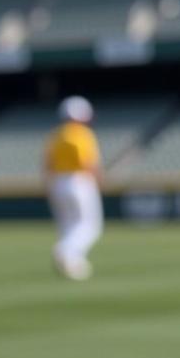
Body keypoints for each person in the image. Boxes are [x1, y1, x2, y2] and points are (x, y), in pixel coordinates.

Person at [44, 96, 103, 280]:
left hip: (58, 182)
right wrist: (98, 180)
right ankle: (66, 251)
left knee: (68, 225)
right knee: (90, 226)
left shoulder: (56, 135)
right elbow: (87, 162)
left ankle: (74, 262)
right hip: (79, 181)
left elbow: (48, 164)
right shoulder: (82, 134)